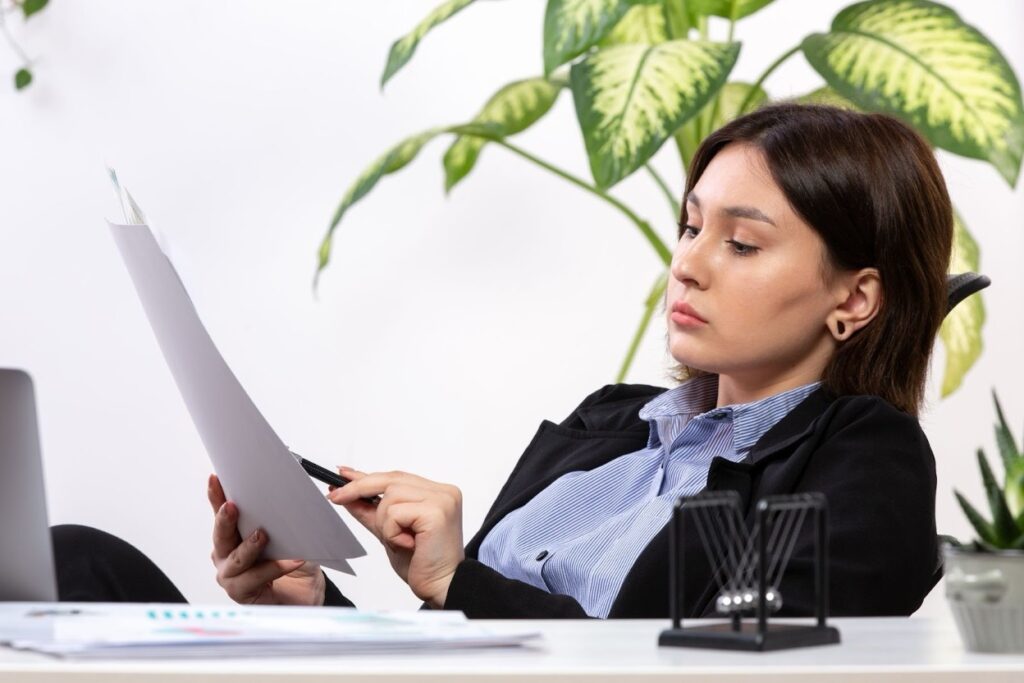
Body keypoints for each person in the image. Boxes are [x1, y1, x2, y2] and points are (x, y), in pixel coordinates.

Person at [53, 102, 952, 618]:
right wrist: (313, 604)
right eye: (689, 225)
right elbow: (468, 660)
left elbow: (695, 665)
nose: (687, 261)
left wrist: (454, 581)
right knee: (73, 560)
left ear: (854, 299)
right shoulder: (610, 423)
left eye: (742, 243)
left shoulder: (864, 460)